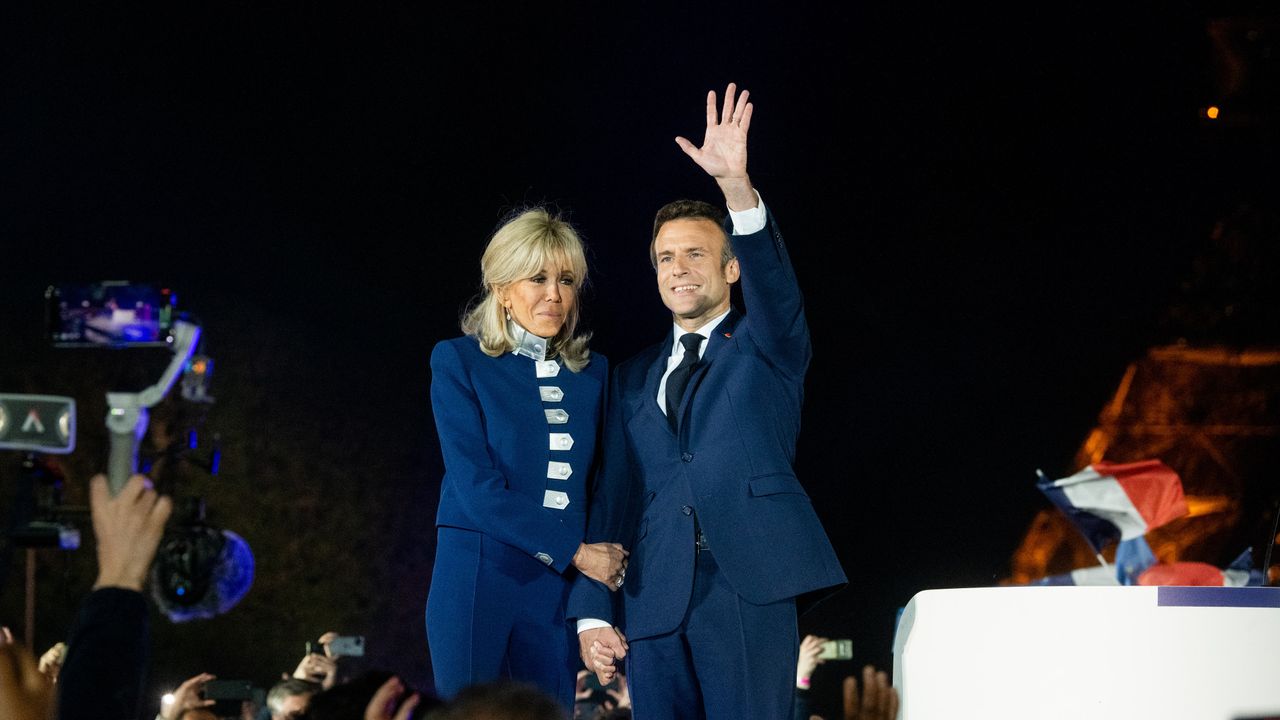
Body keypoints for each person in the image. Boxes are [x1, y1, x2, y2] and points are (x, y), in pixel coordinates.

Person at [567, 83, 847, 719]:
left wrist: (738, 191)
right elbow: (614, 495)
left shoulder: (768, 344)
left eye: (696, 253)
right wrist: (591, 610)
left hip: (748, 585)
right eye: (666, 257)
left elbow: (778, 294)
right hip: (652, 596)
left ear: (732, 269)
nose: (679, 268)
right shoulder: (628, 377)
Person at [426, 208, 628, 709]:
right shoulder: (457, 361)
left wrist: (591, 606)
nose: (554, 295)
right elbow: (475, 488)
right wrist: (577, 552)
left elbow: (603, 490)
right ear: (500, 286)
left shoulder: (597, 373)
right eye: (537, 278)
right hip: (476, 578)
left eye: (566, 280)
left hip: (553, 592)